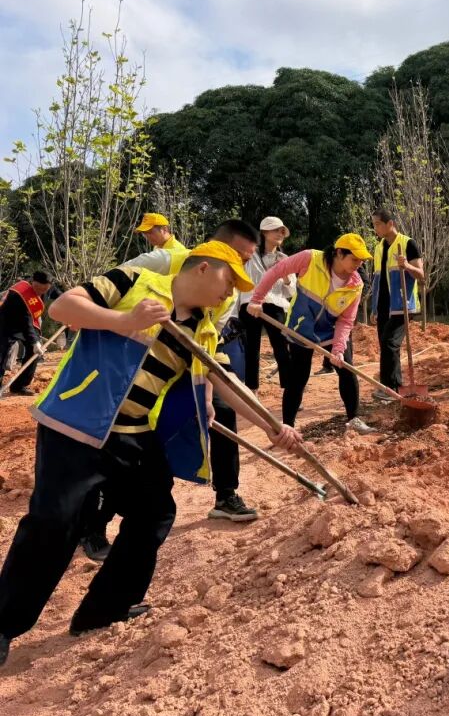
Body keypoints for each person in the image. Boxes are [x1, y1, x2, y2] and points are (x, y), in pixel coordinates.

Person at [0, 241, 304, 667]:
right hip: (78, 425)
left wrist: (275, 426)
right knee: (55, 522)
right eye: (228, 280)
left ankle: (104, 610)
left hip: (133, 434)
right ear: (202, 268)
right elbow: (63, 309)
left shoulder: (203, 330)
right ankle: (4, 623)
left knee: (154, 513)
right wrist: (123, 320)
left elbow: (228, 384)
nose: (229, 292)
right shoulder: (135, 282)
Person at [78, 221, 264, 564]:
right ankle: (93, 523)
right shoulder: (165, 261)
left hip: (190, 359)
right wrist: (120, 320)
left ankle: (226, 494)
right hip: (135, 362)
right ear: (215, 249)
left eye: (247, 260)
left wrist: (206, 396)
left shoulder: (229, 290)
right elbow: (105, 294)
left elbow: (210, 345)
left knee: (222, 410)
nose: (241, 268)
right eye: (238, 257)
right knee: (120, 437)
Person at [247, 234, 373, 433]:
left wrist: (339, 349)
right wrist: (257, 299)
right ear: (339, 253)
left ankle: (354, 419)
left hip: (332, 331)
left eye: (361, 260)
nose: (358, 264)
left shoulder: (355, 285)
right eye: (355, 259)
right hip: (302, 328)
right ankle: (287, 426)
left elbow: (346, 320)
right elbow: (277, 271)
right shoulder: (310, 258)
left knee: (346, 370)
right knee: (298, 377)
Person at [369, 208, 425, 400]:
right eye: (374, 224)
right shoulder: (378, 248)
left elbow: (421, 275)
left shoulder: (408, 244)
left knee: (390, 342)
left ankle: (392, 387)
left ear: (389, 224)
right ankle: (388, 387)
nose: (374, 228)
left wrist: (407, 266)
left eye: (377, 224)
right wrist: (374, 307)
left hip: (402, 304)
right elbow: (378, 280)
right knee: (385, 344)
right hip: (383, 306)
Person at [240, 217, 295, 391]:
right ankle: (252, 390)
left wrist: (285, 274)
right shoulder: (249, 255)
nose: (279, 234)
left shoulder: (285, 258)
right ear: (264, 232)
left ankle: (289, 390)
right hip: (250, 305)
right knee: (251, 349)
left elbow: (291, 292)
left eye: (282, 231)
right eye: (275, 230)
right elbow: (240, 281)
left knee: (281, 348)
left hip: (275, 305)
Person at [0, 272, 53, 396]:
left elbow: (61, 297)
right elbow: (26, 321)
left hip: (27, 323)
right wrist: (35, 341)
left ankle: (19, 386)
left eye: (44, 289)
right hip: (6, 324)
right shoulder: (19, 293)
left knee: (33, 353)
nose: (41, 292)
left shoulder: (48, 288)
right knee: (2, 353)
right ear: (32, 281)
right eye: (38, 288)